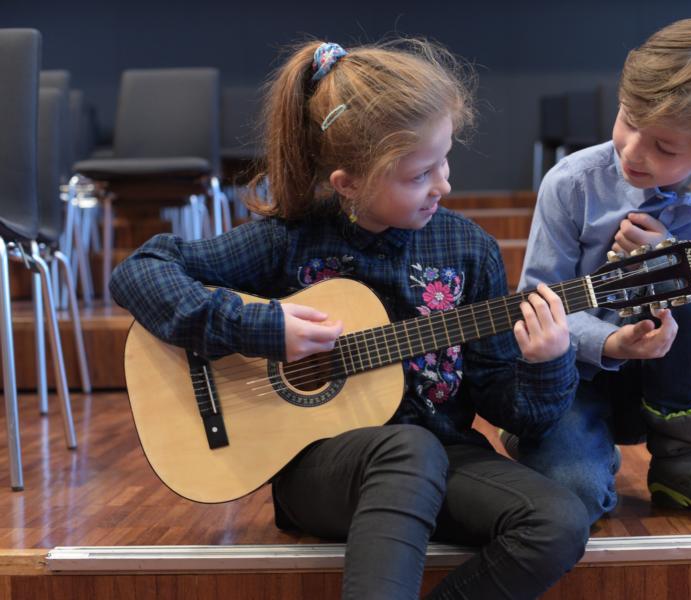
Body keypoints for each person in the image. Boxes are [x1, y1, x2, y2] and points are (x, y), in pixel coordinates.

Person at [110, 39, 590, 599]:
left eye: (445, 159)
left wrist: (547, 363)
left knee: (557, 520)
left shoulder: (469, 251)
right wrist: (261, 330)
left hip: (444, 457)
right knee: (408, 449)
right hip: (321, 473)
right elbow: (140, 270)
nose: (444, 185)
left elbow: (514, 410)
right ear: (348, 184)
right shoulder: (289, 240)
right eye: (419, 174)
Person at [510, 17, 691, 524]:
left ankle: (684, 461)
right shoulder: (572, 184)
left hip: (666, 387)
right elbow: (537, 303)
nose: (632, 151)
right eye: (628, 120)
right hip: (573, 378)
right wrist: (612, 343)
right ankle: (560, 441)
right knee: (575, 496)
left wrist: (674, 265)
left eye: (665, 147)